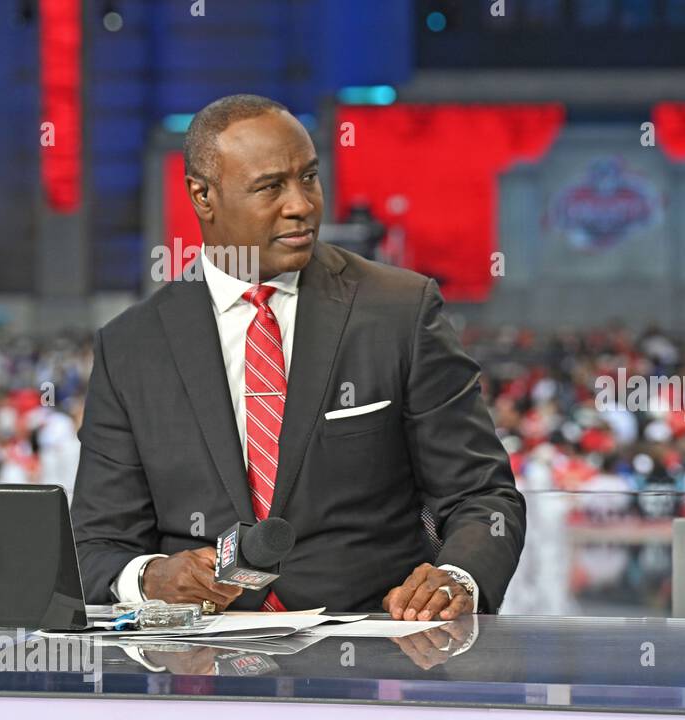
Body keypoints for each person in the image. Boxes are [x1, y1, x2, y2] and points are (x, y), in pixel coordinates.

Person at [71, 94, 525, 620]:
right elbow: (95, 548)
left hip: (377, 655)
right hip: (199, 670)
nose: (302, 205)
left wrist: (458, 576)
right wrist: (151, 577)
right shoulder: (132, 345)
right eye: (271, 187)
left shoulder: (399, 310)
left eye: (309, 177)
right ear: (202, 196)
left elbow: (482, 495)